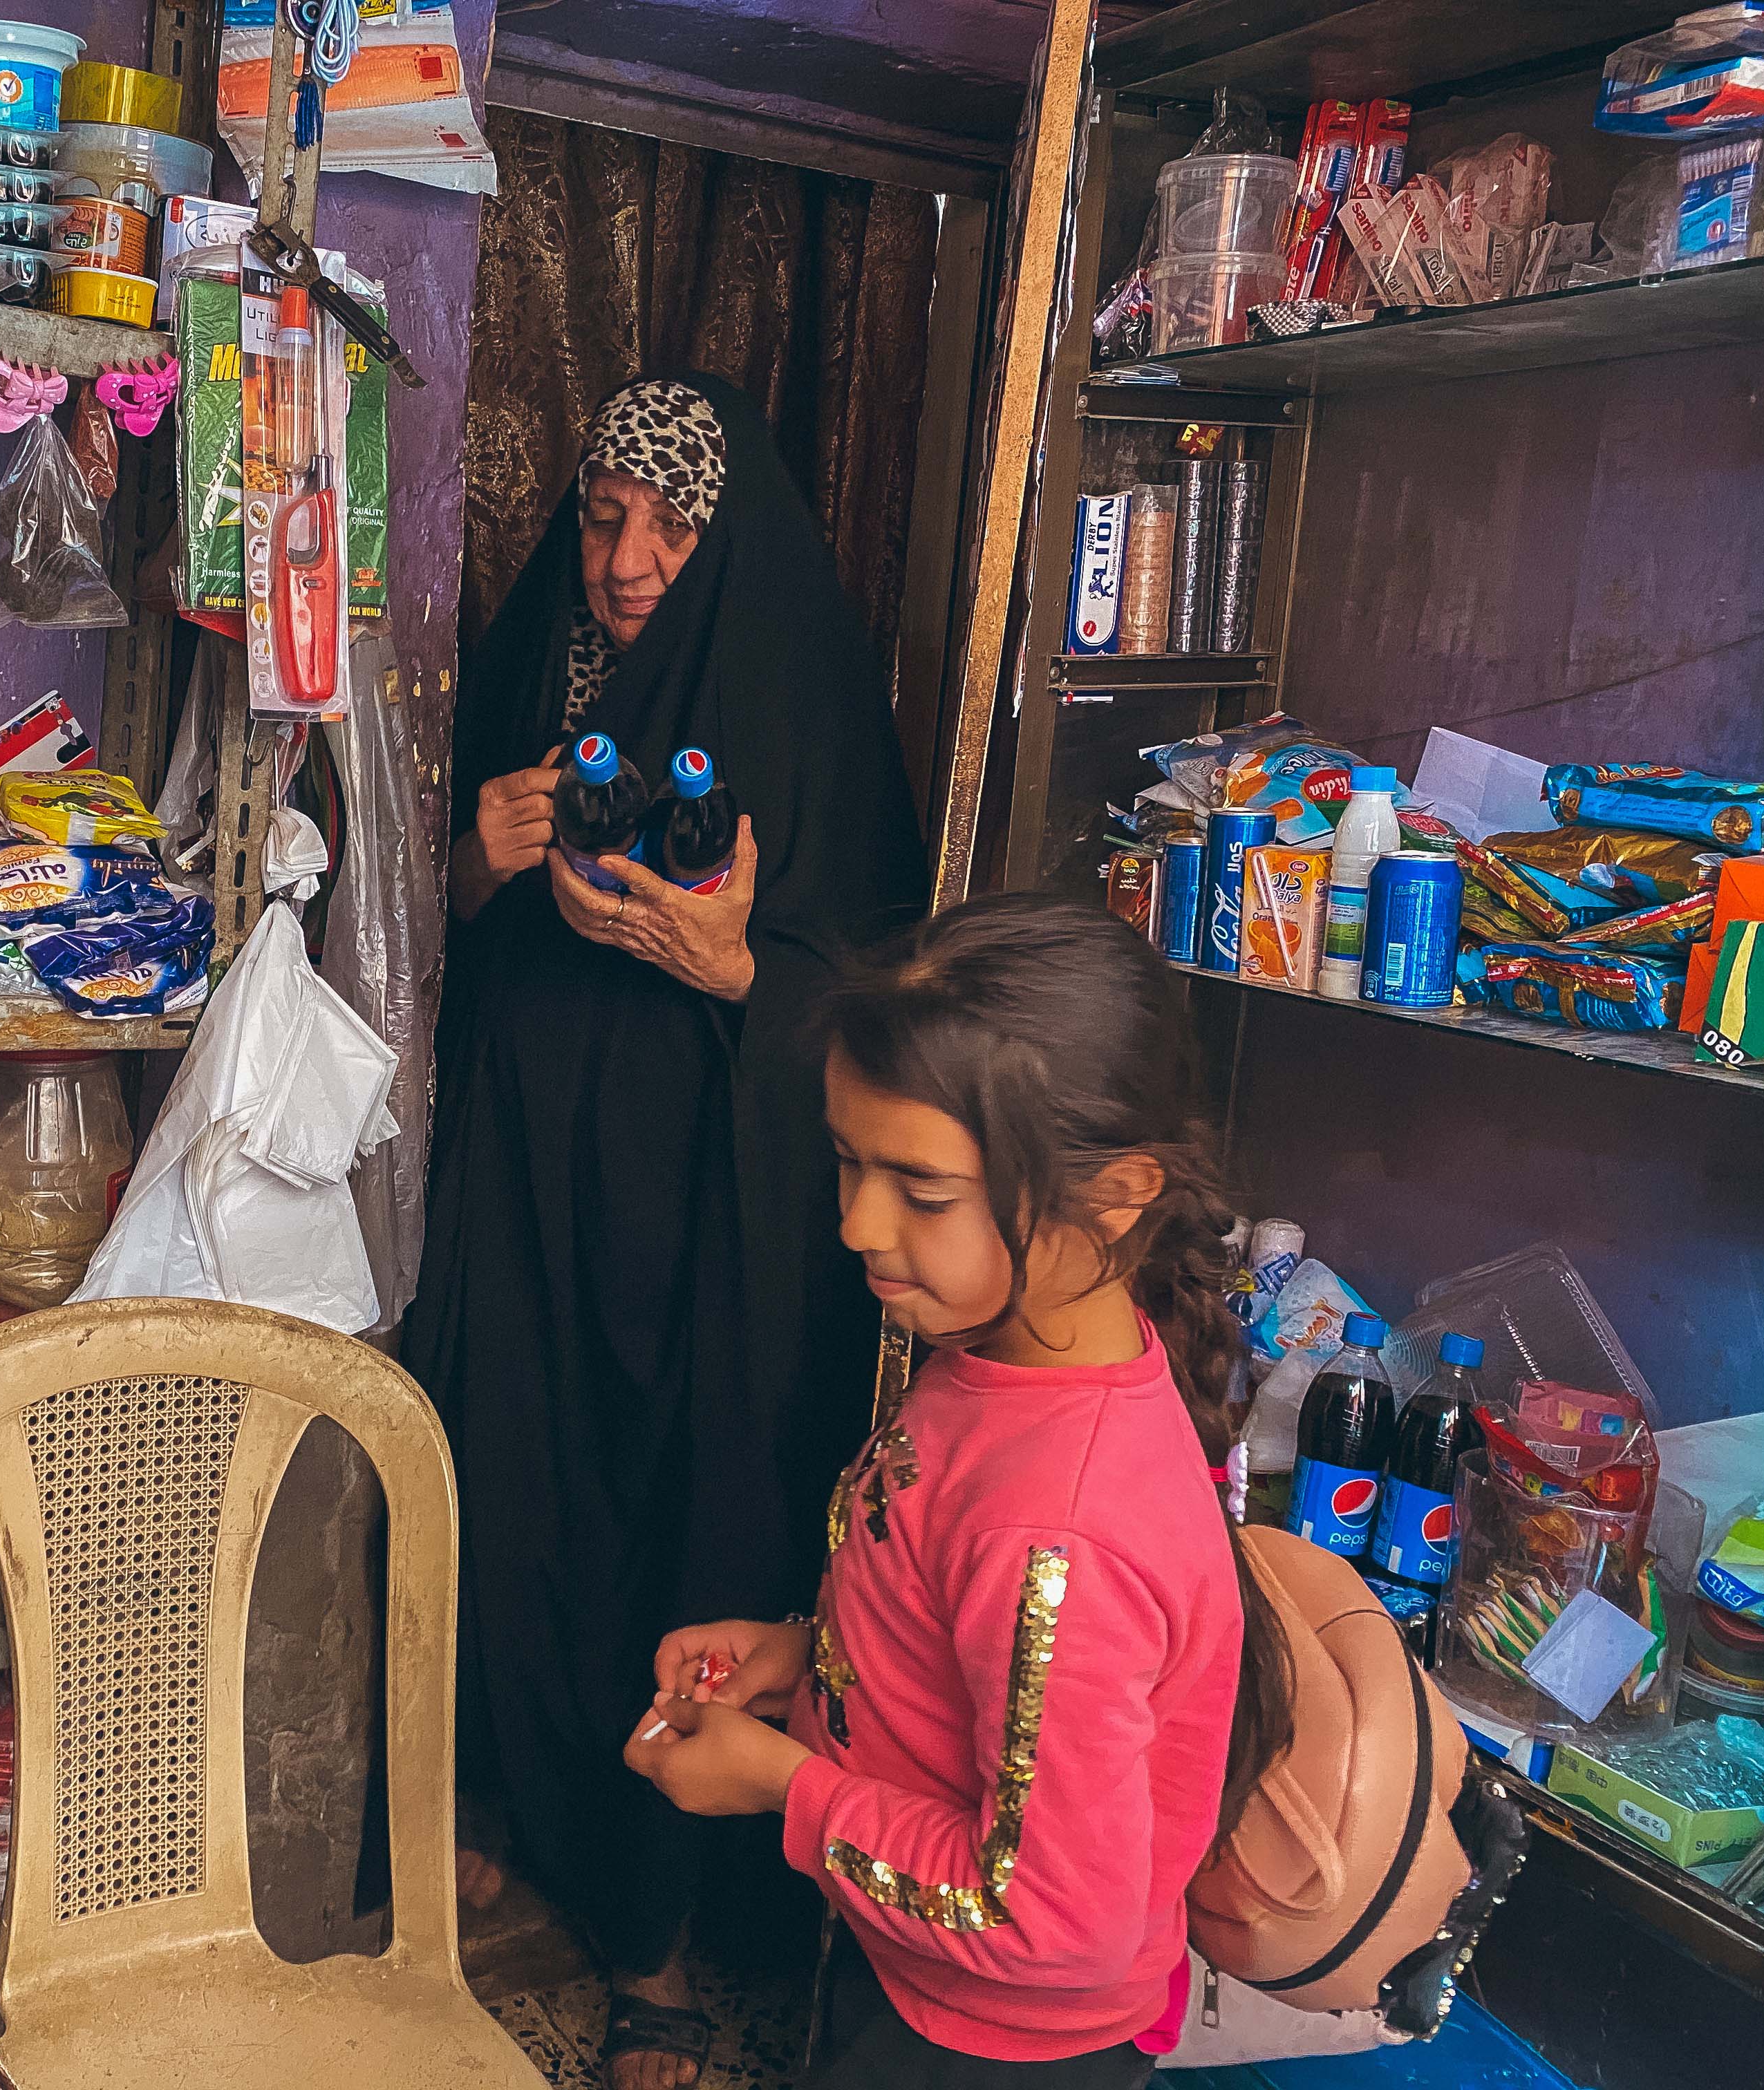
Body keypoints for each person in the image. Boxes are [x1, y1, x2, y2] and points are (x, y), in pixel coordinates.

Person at [409, 374, 928, 2090]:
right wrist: (472, 869)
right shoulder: (531, 671)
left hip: (718, 1232)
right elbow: (424, 960)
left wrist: (738, 973)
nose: (628, 562)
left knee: (690, 1543)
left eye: (670, 525)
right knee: (516, 1497)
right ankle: (514, 1813)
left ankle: (665, 1943)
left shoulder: (804, 699)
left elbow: (882, 1004)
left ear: (732, 539)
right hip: (528, 1205)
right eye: (604, 517)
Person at [623, 893, 1293, 2089]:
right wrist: (803, 1651)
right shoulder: (1008, 1356)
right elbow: (961, 1639)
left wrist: (787, 1789)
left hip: (993, 2046)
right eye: (845, 1161)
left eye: (922, 1192)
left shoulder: (1061, 1529)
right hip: (917, 1972)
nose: (856, 1224)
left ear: (1120, 1191)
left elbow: (1049, 1918)